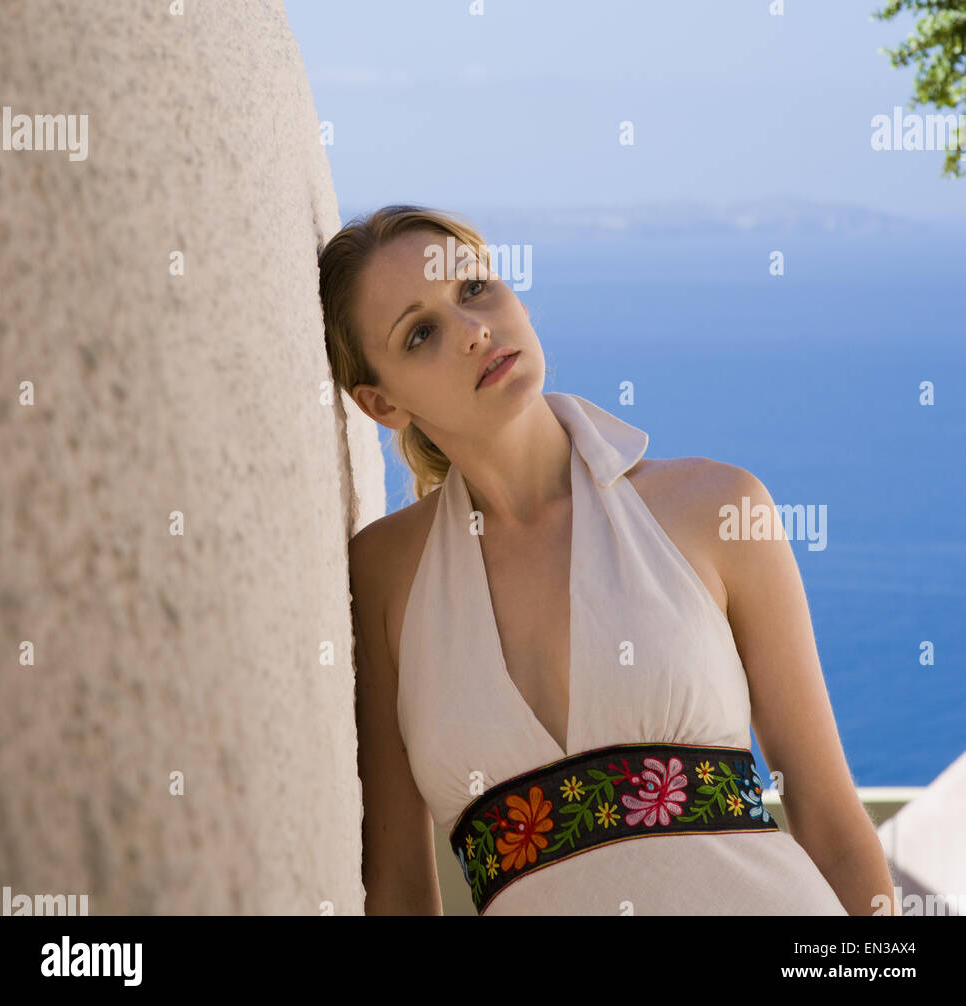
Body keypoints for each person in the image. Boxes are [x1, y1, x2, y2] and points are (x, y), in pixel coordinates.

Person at [318, 203, 896, 916]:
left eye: (473, 289)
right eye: (421, 333)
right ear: (381, 404)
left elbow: (829, 819)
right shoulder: (381, 576)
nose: (475, 331)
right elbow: (399, 890)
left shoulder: (714, 508)